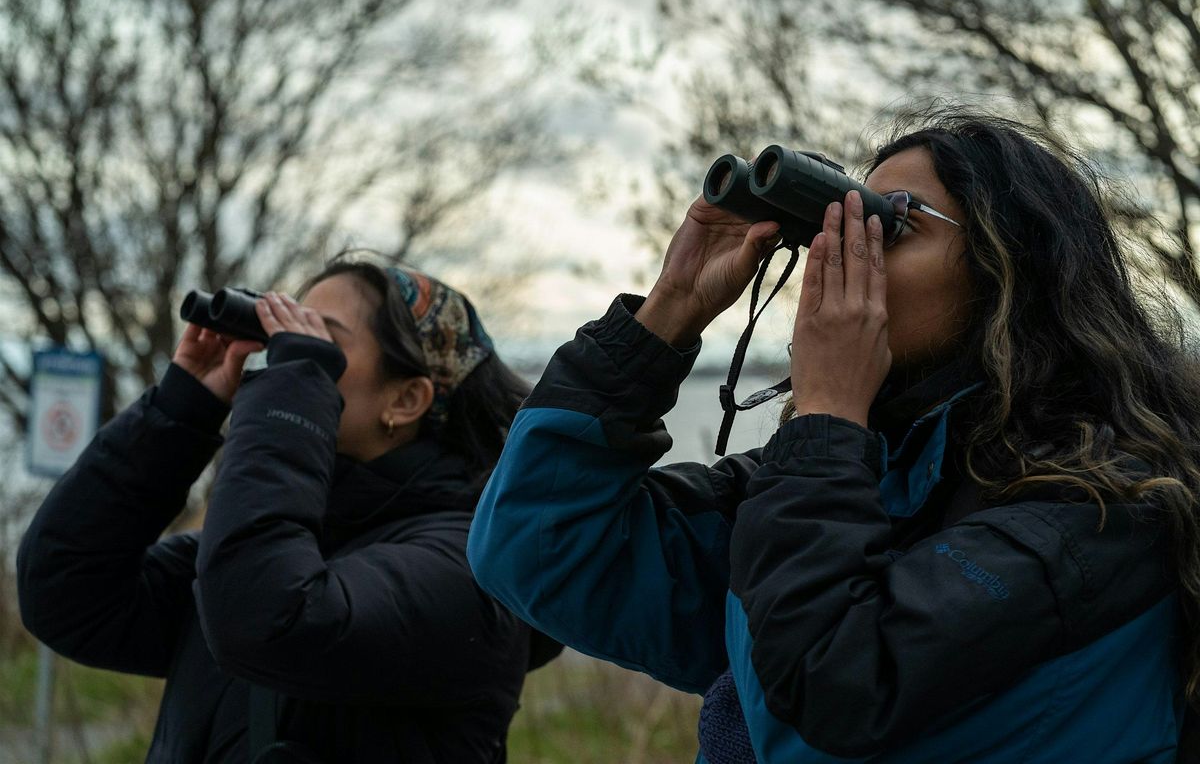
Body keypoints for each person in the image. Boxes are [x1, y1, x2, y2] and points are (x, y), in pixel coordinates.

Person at [467, 107, 1200, 762]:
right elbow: (537, 551)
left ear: (1011, 271)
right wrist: (669, 310)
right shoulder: (860, 480)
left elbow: (824, 707)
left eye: (894, 222)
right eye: (835, 227)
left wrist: (824, 420)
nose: (844, 256)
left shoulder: (1104, 506)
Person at [18, 258, 552, 763]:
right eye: (291, 334)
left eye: (323, 341)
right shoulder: (275, 545)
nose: (284, 353)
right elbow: (67, 591)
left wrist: (293, 394)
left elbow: (268, 617)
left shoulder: (472, 573)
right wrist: (181, 412)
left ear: (405, 400)